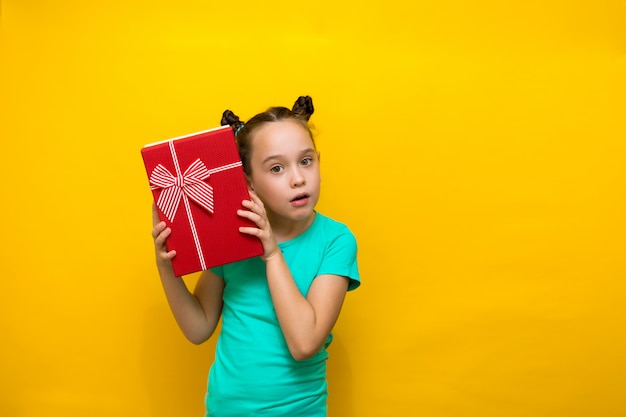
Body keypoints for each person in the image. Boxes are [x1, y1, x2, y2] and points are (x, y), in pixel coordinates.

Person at [151, 96, 360, 416]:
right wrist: (167, 267)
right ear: (247, 181)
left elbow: (304, 343)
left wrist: (272, 254)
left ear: (318, 160)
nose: (297, 178)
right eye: (276, 168)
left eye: (306, 161)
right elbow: (198, 328)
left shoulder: (335, 241)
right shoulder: (233, 239)